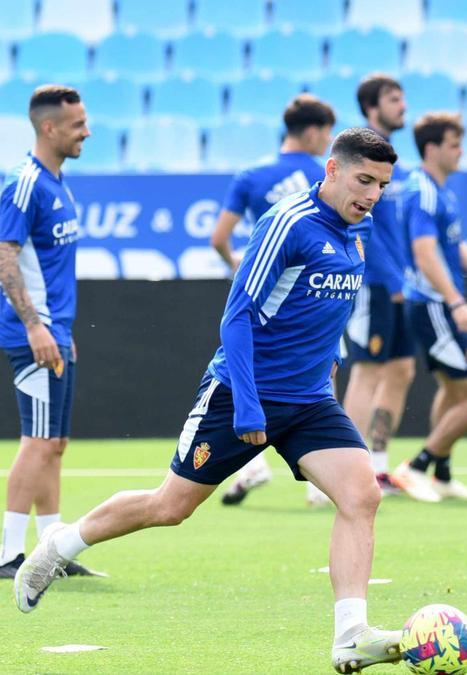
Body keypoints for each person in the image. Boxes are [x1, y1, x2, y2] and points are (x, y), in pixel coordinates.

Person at [14, 129, 406, 673]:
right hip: (242, 392)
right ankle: (60, 546)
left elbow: (322, 306)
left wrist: (331, 356)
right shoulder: (289, 223)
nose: (372, 195)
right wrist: (248, 404)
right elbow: (237, 314)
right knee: (169, 507)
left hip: (310, 401)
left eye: (382, 185)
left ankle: (350, 634)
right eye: (364, 180)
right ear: (332, 171)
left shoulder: (356, 234)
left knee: (361, 495)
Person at [0, 85, 102, 580]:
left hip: (57, 333)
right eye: (78, 124)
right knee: (36, 441)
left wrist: (61, 329)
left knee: (55, 443)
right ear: (49, 128)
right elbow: (5, 257)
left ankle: (51, 551)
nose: (87, 131)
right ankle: (9, 556)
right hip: (33, 336)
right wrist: (35, 326)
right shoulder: (24, 183)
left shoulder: (59, 183)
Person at [210, 94, 337, 507]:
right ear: (315, 131)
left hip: (262, 296)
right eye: (328, 132)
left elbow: (219, 237)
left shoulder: (251, 175)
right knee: (320, 374)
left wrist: (239, 268)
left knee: (251, 369)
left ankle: (251, 465)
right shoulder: (327, 178)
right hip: (309, 300)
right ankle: (321, 481)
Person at [391, 113, 467, 503]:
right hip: (434, 306)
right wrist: (457, 303)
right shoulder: (421, 190)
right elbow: (424, 254)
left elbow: (451, 246)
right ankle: (417, 466)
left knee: (455, 391)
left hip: (437, 304)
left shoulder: (441, 192)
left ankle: (440, 473)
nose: (461, 152)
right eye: (454, 145)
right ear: (432, 149)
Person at [341, 74, 418, 499]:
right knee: (367, 371)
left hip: (398, 283)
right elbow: (360, 226)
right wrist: (390, 278)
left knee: (402, 369)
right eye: (394, 99)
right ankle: (346, 470)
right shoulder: (361, 161)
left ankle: (380, 468)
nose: (403, 105)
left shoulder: (391, 162)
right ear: (372, 108)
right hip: (374, 283)